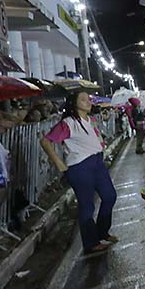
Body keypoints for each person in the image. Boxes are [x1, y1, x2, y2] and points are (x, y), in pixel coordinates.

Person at [40, 92, 118, 254]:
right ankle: (91, 243)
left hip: (97, 163)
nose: (88, 102)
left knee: (110, 196)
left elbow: (96, 139)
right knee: (87, 206)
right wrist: (59, 163)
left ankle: (102, 231)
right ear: (74, 104)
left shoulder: (91, 120)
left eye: (88, 99)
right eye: (83, 99)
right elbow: (45, 141)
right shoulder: (68, 123)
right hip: (80, 167)